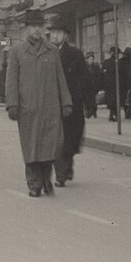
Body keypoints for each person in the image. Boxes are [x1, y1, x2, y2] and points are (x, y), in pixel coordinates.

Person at [5, 9, 72, 197]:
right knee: (31, 147)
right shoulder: (17, 52)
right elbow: (11, 81)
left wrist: (66, 102)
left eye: (39, 26)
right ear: (26, 28)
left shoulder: (52, 51)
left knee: (49, 147)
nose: (37, 29)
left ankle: (45, 179)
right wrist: (12, 104)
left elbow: (60, 79)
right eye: (33, 26)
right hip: (28, 109)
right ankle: (34, 184)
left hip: (50, 109)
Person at [46, 17, 92, 187]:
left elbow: (85, 79)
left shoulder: (75, 54)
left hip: (72, 104)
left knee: (71, 138)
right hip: (52, 104)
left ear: (65, 35)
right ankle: (61, 174)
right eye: (53, 32)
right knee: (57, 140)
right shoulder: (46, 53)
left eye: (58, 32)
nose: (55, 36)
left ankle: (67, 164)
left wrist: (90, 103)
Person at [102, 47, 119, 122]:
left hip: (108, 83)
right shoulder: (117, 62)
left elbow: (103, 72)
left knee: (110, 99)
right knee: (115, 99)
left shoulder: (106, 62)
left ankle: (111, 114)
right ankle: (114, 114)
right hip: (116, 83)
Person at [84, 52, 103, 118]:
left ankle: (94, 111)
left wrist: (98, 85)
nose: (91, 60)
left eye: (92, 59)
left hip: (94, 86)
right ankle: (88, 111)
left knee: (93, 99)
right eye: (90, 59)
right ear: (87, 59)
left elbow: (99, 76)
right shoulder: (84, 67)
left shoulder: (96, 67)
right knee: (87, 99)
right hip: (87, 86)